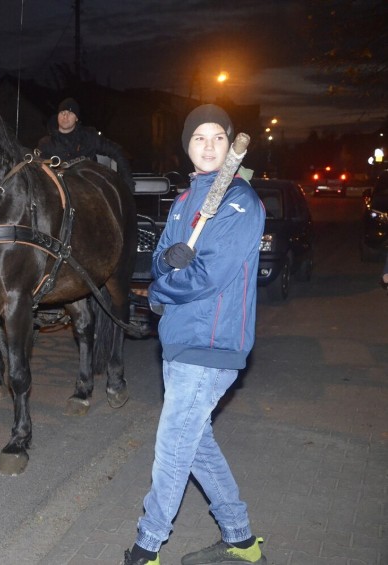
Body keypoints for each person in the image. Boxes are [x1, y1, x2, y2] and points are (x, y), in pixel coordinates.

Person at [123, 105, 267, 565]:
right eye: (198, 137)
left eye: (218, 137)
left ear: (230, 145)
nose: (208, 145)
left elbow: (206, 276)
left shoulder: (241, 202)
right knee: (195, 443)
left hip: (211, 344)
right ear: (187, 146)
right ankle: (242, 542)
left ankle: (146, 548)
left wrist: (162, 286)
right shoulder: (187, 202)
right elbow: (163, 255)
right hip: (180, 339)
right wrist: (167, 264)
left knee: (172, 447)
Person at [36, 97, 134, 189]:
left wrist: (127, 183)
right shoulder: (45, 143)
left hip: (89, 190)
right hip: (58, 191)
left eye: (70, 112)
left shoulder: (89, 137)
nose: (65, 116)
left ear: (77, 118)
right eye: (62, 112)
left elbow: (116, 151)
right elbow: (40, 172)